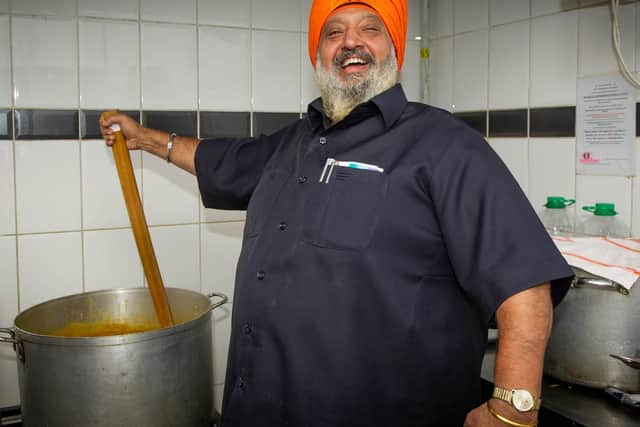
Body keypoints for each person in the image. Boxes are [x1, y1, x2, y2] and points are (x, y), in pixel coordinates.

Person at [101, 0, 573, 425]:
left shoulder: (446, 146)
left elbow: (524, 282)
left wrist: (512, 408)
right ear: (318, 53)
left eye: (370, 28)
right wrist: (144, 138)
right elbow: (217, 159)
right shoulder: (292, 144)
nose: (351, 42)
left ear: (394, 47)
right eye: (334, 32)